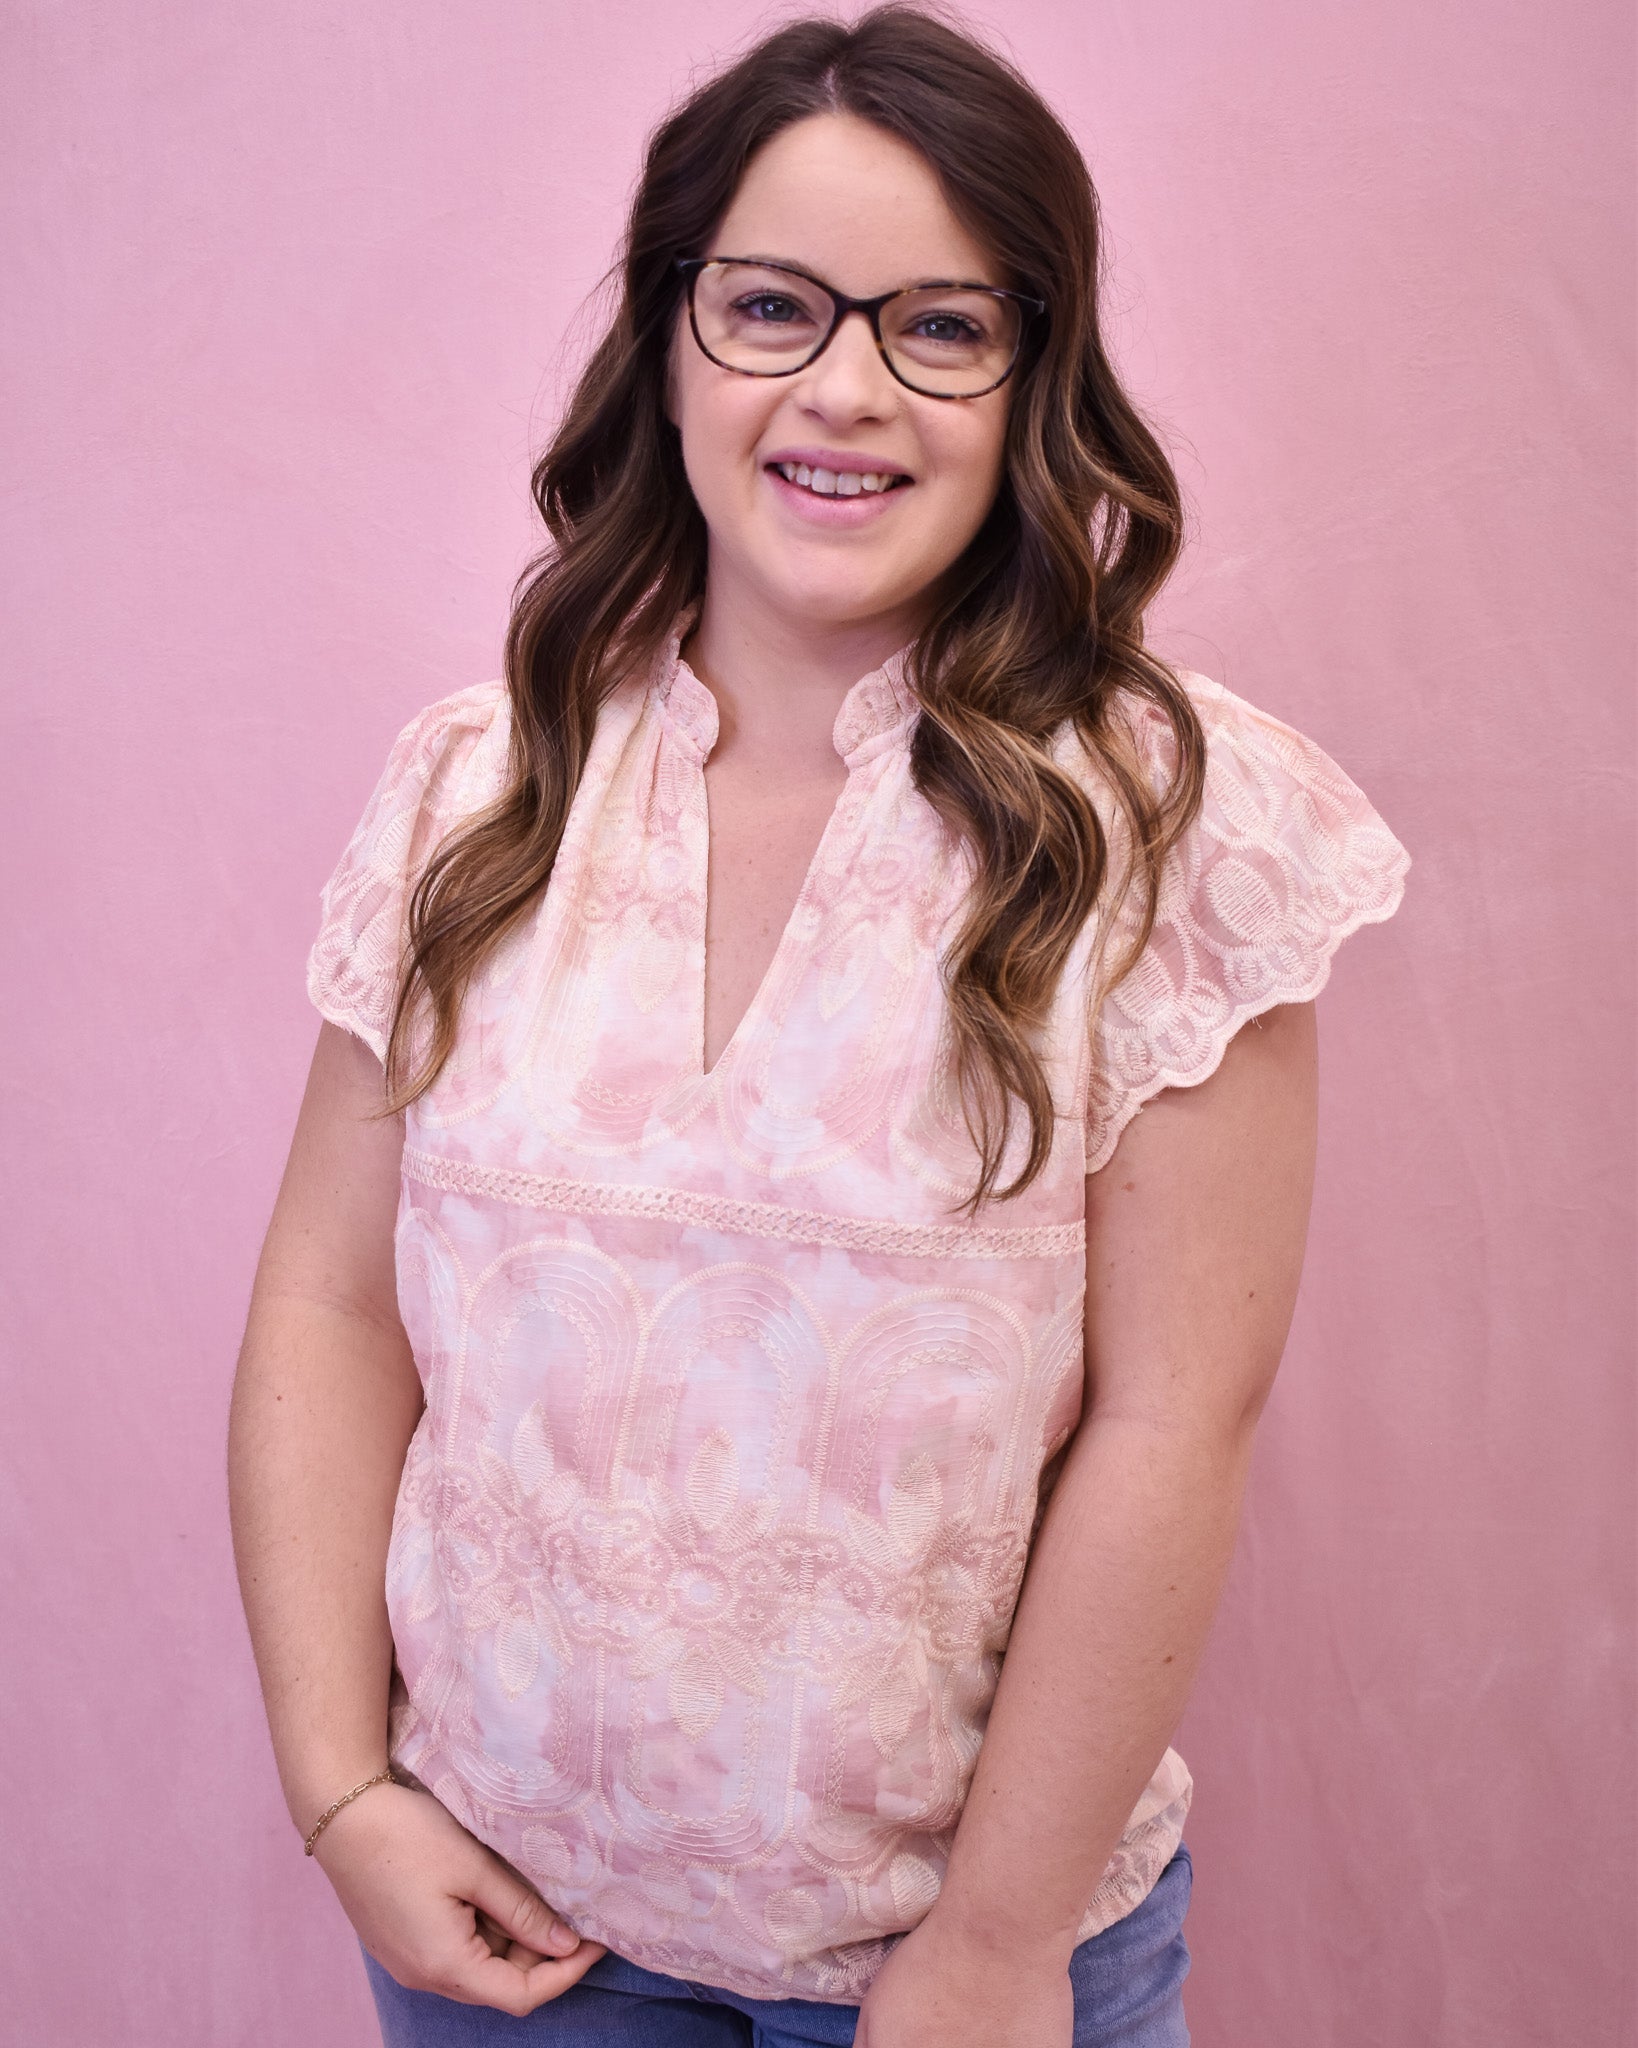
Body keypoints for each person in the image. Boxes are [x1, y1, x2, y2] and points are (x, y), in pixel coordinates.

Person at [228, 11, 1409, 2045]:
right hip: (510, 1926)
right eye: (771, 306)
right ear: (670, 336)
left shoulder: (1173, 822)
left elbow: (1167, 1421)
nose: (844, 387)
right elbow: (332, 1310)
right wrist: (343, 1787)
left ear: (1034, 375)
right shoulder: (469, 794)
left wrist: (999, 1940)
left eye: (941, 325)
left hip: (955, 1964)